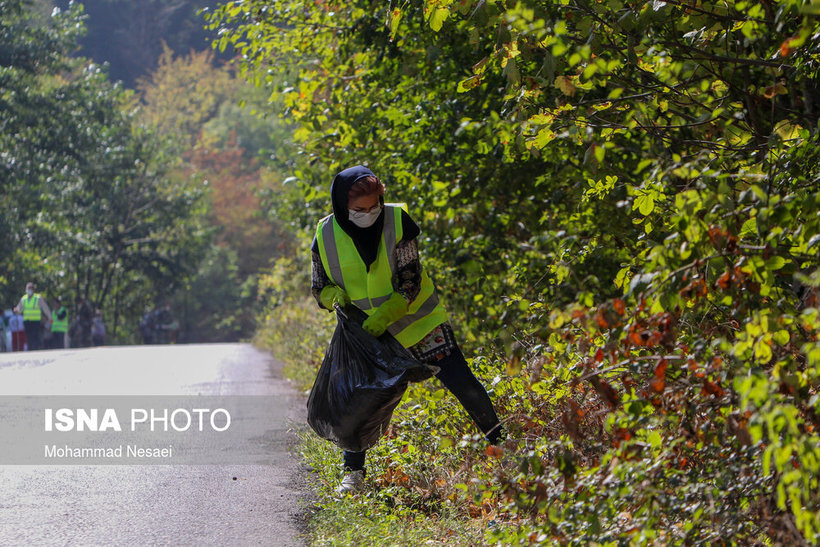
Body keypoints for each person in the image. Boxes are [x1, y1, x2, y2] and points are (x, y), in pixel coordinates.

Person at [311, 165, 503, 494]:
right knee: (359, 400)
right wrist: (333, 296)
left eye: (374, 206)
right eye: (359, 210)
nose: (369, 214)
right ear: (342, 206)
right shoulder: (325, 234)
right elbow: (319, 285)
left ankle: (504, 448)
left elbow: (410, 280)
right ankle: (353, 474)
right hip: (367, 336)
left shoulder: (398, 221)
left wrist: (388, 313)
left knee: (463, 384)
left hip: (419, 325)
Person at [14, 282, 51, 351]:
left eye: (30, 289)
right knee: (28, 337)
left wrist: (49, 316)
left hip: (35, 321)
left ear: (33, 290)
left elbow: (45, 308)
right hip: (27, 321)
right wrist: (16, 310)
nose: (28, 290)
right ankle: (30, 350)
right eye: (27, 289)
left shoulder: (38, 298)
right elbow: (19, 308)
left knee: (35, 337)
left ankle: (36, 349)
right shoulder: (23, 299)